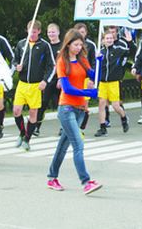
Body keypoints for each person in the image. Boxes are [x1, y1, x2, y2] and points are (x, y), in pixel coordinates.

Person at [46, 29, 102, 195]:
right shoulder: (62, 61)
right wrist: (87, 93)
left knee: (63, 146)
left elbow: (96, 76)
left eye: (81, 45)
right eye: (76, 44)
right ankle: (86, 182)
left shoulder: (83, 60)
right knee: (78, 144)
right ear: (68, 44)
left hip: (79, 110)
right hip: (67, 108)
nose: (79, 47)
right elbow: (68, 88)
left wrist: (100, 62)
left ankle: (52, 177)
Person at [12, 20, 55, 151]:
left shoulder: (44, 45)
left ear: (39, 32)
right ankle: (21, 132)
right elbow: (15, 60)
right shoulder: (21, 44)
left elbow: (51, 66)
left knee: (33, 113)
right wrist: (16, 66)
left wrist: (45, 81)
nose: (32, 34)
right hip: (22, 84)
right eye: (30, 31)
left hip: (36, 85)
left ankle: (27, 139)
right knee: (16, 111)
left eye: (34, 32)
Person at [94, 31, 129, 137]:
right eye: (107, 38)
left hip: (114, 82)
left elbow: (129, 52)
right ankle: (102, 127)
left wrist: (130, 42)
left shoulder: (118, 50)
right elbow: (95, 67)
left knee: (115, 106)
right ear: (103, 40)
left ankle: (123, 118)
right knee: (102, 104)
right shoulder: (101, 52)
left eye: (110, 38)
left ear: (113, 40)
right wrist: (97, 59)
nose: (109, 40)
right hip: (103, 83)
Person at [35, 23, 62, 136]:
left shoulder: (63, 46)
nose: (51, 34)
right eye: (49, 32)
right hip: (48, 79)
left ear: (58, 32)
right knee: (43, 103)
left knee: (60, 104)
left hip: (60, 80)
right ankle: (36, 127)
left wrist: (61, 78)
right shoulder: (45, 46)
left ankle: (63, 128)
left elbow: (65, 64)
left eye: (53, 32)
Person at [74, 23, 97, 133]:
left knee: (83, 105)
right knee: (72, 104)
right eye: (78, 32)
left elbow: (94, 63)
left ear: (86, 33)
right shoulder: (71, 45)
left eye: (82, 32)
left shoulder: (90, 45)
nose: (80, 34)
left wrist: (92, 80)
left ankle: (80, 128)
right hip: (74, 78)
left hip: (85, 79)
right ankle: (71, 126)